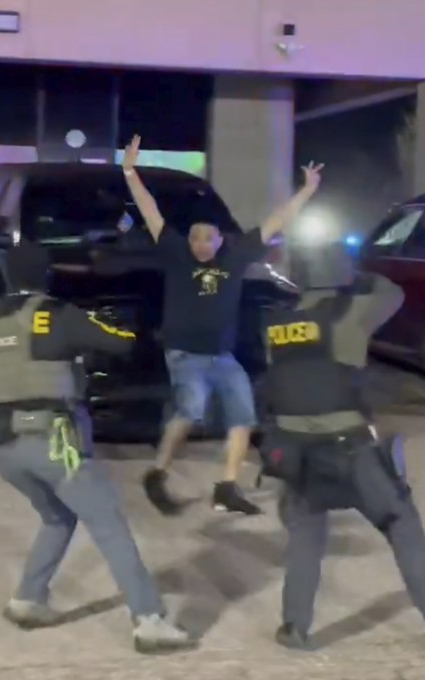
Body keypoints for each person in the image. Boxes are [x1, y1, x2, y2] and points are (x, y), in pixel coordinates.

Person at [258, 243, 425, 658]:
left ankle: (294, 626)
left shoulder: (276, 325)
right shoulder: (351, 314)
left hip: (297, 452)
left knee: (306, 537)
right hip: (348, 448)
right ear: (339, 274)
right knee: (401, 524)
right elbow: (393, 293)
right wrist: (359, 273)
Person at [0, 241, 196, 654]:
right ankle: (149, 620)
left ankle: (28, 599)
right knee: (109, 523)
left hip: (2, 445)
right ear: (47, 274)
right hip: (53, 441)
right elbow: (121, 341)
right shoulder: (52, 314)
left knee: (57, 517)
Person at [121, 134, 323, 516]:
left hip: (222, 356)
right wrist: (130, 172)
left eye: (207, 238)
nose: (200, 244)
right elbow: (150, 211)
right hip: (184, 354)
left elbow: (277, 220)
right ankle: (157, 474)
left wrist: (306, 191)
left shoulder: (236, 255)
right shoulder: (177, 252)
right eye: (195, 237)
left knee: (243, 416)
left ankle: (226, 487)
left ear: (219, 240)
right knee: (191, 411)